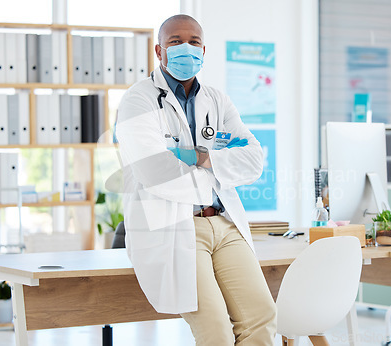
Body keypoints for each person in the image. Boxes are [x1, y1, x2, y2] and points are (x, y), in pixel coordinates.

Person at [115, 14, 276, 345]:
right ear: (159, 51)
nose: (185, 48)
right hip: (175, 226)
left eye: (194, 42)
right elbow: (155, 173)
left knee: (261, 317)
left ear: (204, 50)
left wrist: (199, 158)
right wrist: (218, 170)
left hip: (224, 223)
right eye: (175, 42)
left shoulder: (217, 100)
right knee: (216, 329)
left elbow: (254, 159)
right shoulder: (139, 100)